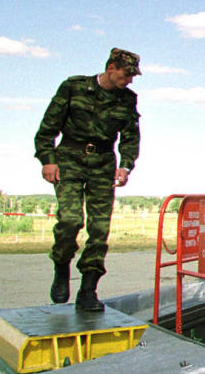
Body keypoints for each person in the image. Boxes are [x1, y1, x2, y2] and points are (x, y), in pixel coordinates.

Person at [34, 48, 141, 311]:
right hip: (69, 159)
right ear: (111, 67)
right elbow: (47, 128)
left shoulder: (127, 100)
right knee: (71, 221)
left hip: (104, 164)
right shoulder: (74, 87)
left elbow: (130, 136)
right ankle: (61, 266)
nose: (129, 80)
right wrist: (48, 159)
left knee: (99, 229)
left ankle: (88, 290)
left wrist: (126, 166)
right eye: (126, 74)